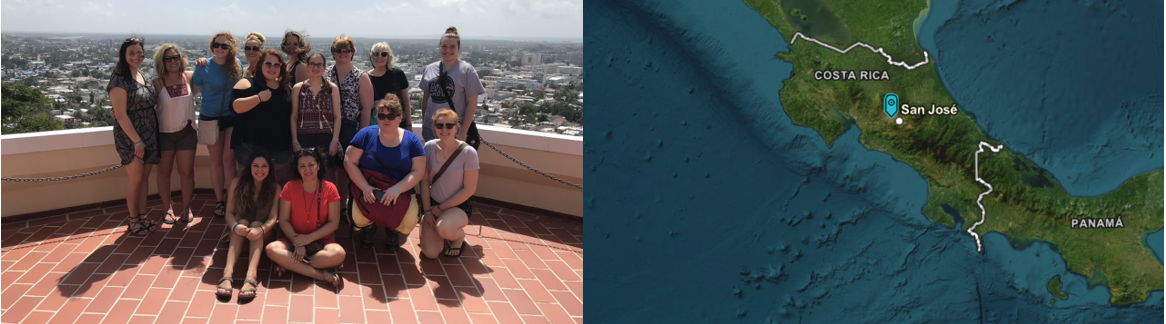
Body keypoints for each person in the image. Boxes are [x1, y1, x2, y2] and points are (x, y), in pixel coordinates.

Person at [344, 95, 425, 250]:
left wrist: (397, 189)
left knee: (408, 222)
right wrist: (365, 187)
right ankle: (368, 227)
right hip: (369, 188)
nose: (386, 120)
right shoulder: (366, 134)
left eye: (391, 116)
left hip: (400, 190)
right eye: (381, 116)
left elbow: (418, 171)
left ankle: (393, 229)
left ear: (400, 117)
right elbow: (349, 162)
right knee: (357, 217)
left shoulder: (412, 141)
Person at [265, 148, 344, 287]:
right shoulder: (289, 187)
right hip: (292, 238)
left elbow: (334, 223)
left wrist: (307, 239)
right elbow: (283, 220)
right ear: (297, 169)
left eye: (311, 165)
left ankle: (289, 265)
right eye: (302, 166)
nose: (307, 169)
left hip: (320, 240)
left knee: (338, 254)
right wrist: (298, 242)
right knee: (271, 249)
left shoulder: (330, 188)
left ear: (318, 166)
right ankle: (320, 275)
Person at [110, 36, 161, 235]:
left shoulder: (144, 75)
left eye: (139, 52)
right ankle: (133, 220)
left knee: (145, 178)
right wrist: (137, 142)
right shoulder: (118, 79)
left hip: (149, 133)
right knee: (136, 179)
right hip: (131, 137)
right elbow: (121, 115)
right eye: (131, 53)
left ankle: (142, 215)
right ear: (124, 55)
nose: (136, 56)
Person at [192, 31, 244, 218]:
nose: (220, 48)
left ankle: (231, 201)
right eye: (217, 45)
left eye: (224, 46)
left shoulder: (236, 65)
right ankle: (219, 200)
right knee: (215, 162)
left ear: (231, 48)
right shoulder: (203, 67)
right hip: (209, 117)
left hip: (231, 116)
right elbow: (192, 92)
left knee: (229, 160)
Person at [216, 152, 280, 300]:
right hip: (240, 234)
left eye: (264, 166)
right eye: (255, 166)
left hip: (263, 236)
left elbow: (273, 218)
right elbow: (229, 213)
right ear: (249, 167)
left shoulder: (275, 188)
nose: (260, 170)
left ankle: (251, 277)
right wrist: (234, 226)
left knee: (257, 224)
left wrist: (261, 229)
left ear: (270, 168)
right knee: (242, 222)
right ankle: (227, 275)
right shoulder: (237, 183)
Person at [419, 109, 479, 258]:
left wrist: (441, 208)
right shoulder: (429, 147)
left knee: (444, 228)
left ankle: (458, 237)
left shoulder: (468, 153)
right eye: (440, 126)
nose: (444, 130)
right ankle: (439, 232)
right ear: (434, 128)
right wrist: (427, 211)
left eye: (449, 125)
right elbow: (424, 181)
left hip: (457, 206)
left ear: (456, 127)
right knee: (431, 253)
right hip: (432, 206)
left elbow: (469, 189)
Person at [327, 35, 375, 215]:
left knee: (347, 169)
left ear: (352, 53)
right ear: (333, 53)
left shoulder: (360, 76)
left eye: (346, 50)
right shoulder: (327, 73)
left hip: (351, 129)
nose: (342, 53)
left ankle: (345, 208)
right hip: (329, 128)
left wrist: (361, 136)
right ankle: (332, 206)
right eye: (338, 50)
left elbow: (366, 108)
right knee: (330, 169)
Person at [152, 43, 199, 224]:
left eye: (176, 57)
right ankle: (167, 208)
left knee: (186, 173)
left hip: (187, 132)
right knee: (163, 173)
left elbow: (211, 78)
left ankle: (187, 208)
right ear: (162, 62)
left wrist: (203, 62)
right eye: (168, 58)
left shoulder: (189, 77)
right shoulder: (157, 83)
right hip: (164, 134)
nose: (173, 61)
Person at [231, 48, 294, 184]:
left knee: (278, 183)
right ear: (260, 65)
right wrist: (258, 98)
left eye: (277, 65)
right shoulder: (248, 83)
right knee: (248, 184)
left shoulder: (287, 89)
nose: (272, 68)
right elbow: (235, 106)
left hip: (280, 147)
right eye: (268, 64)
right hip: (250, 145)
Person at [419, 26, 484, 142]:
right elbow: (425, 100)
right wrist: (424, 123)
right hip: (431, 127)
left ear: (459, 49)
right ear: (439, 47)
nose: (448, 50)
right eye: (444, 46)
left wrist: (463, 132)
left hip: (453, 129)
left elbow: (472, 105)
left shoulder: (467, 70)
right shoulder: (430, 69)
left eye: (452, 47)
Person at [291, 52, 342, 170]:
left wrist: (334, 140)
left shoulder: (332, 88)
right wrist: (295, 141)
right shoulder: (298, 88)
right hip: (304, 138)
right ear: (307, 66)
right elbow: (294, 116)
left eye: (319, 65)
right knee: (305, 173)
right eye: (312, 64)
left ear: (324, 67)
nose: (315, 68)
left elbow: (337, 116)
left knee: (326, 174)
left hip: (326, 139)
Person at [367, 42, 412, 132]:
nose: (380, 57)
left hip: (398, 123)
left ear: (389, 57)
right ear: (372, 56)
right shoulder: (366, 78)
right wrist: (377, 104)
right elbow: (363, 105)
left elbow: (406, 101)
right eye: (376, 54)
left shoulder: (398, 74)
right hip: (377, 124)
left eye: (384, 54)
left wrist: (409, 124)